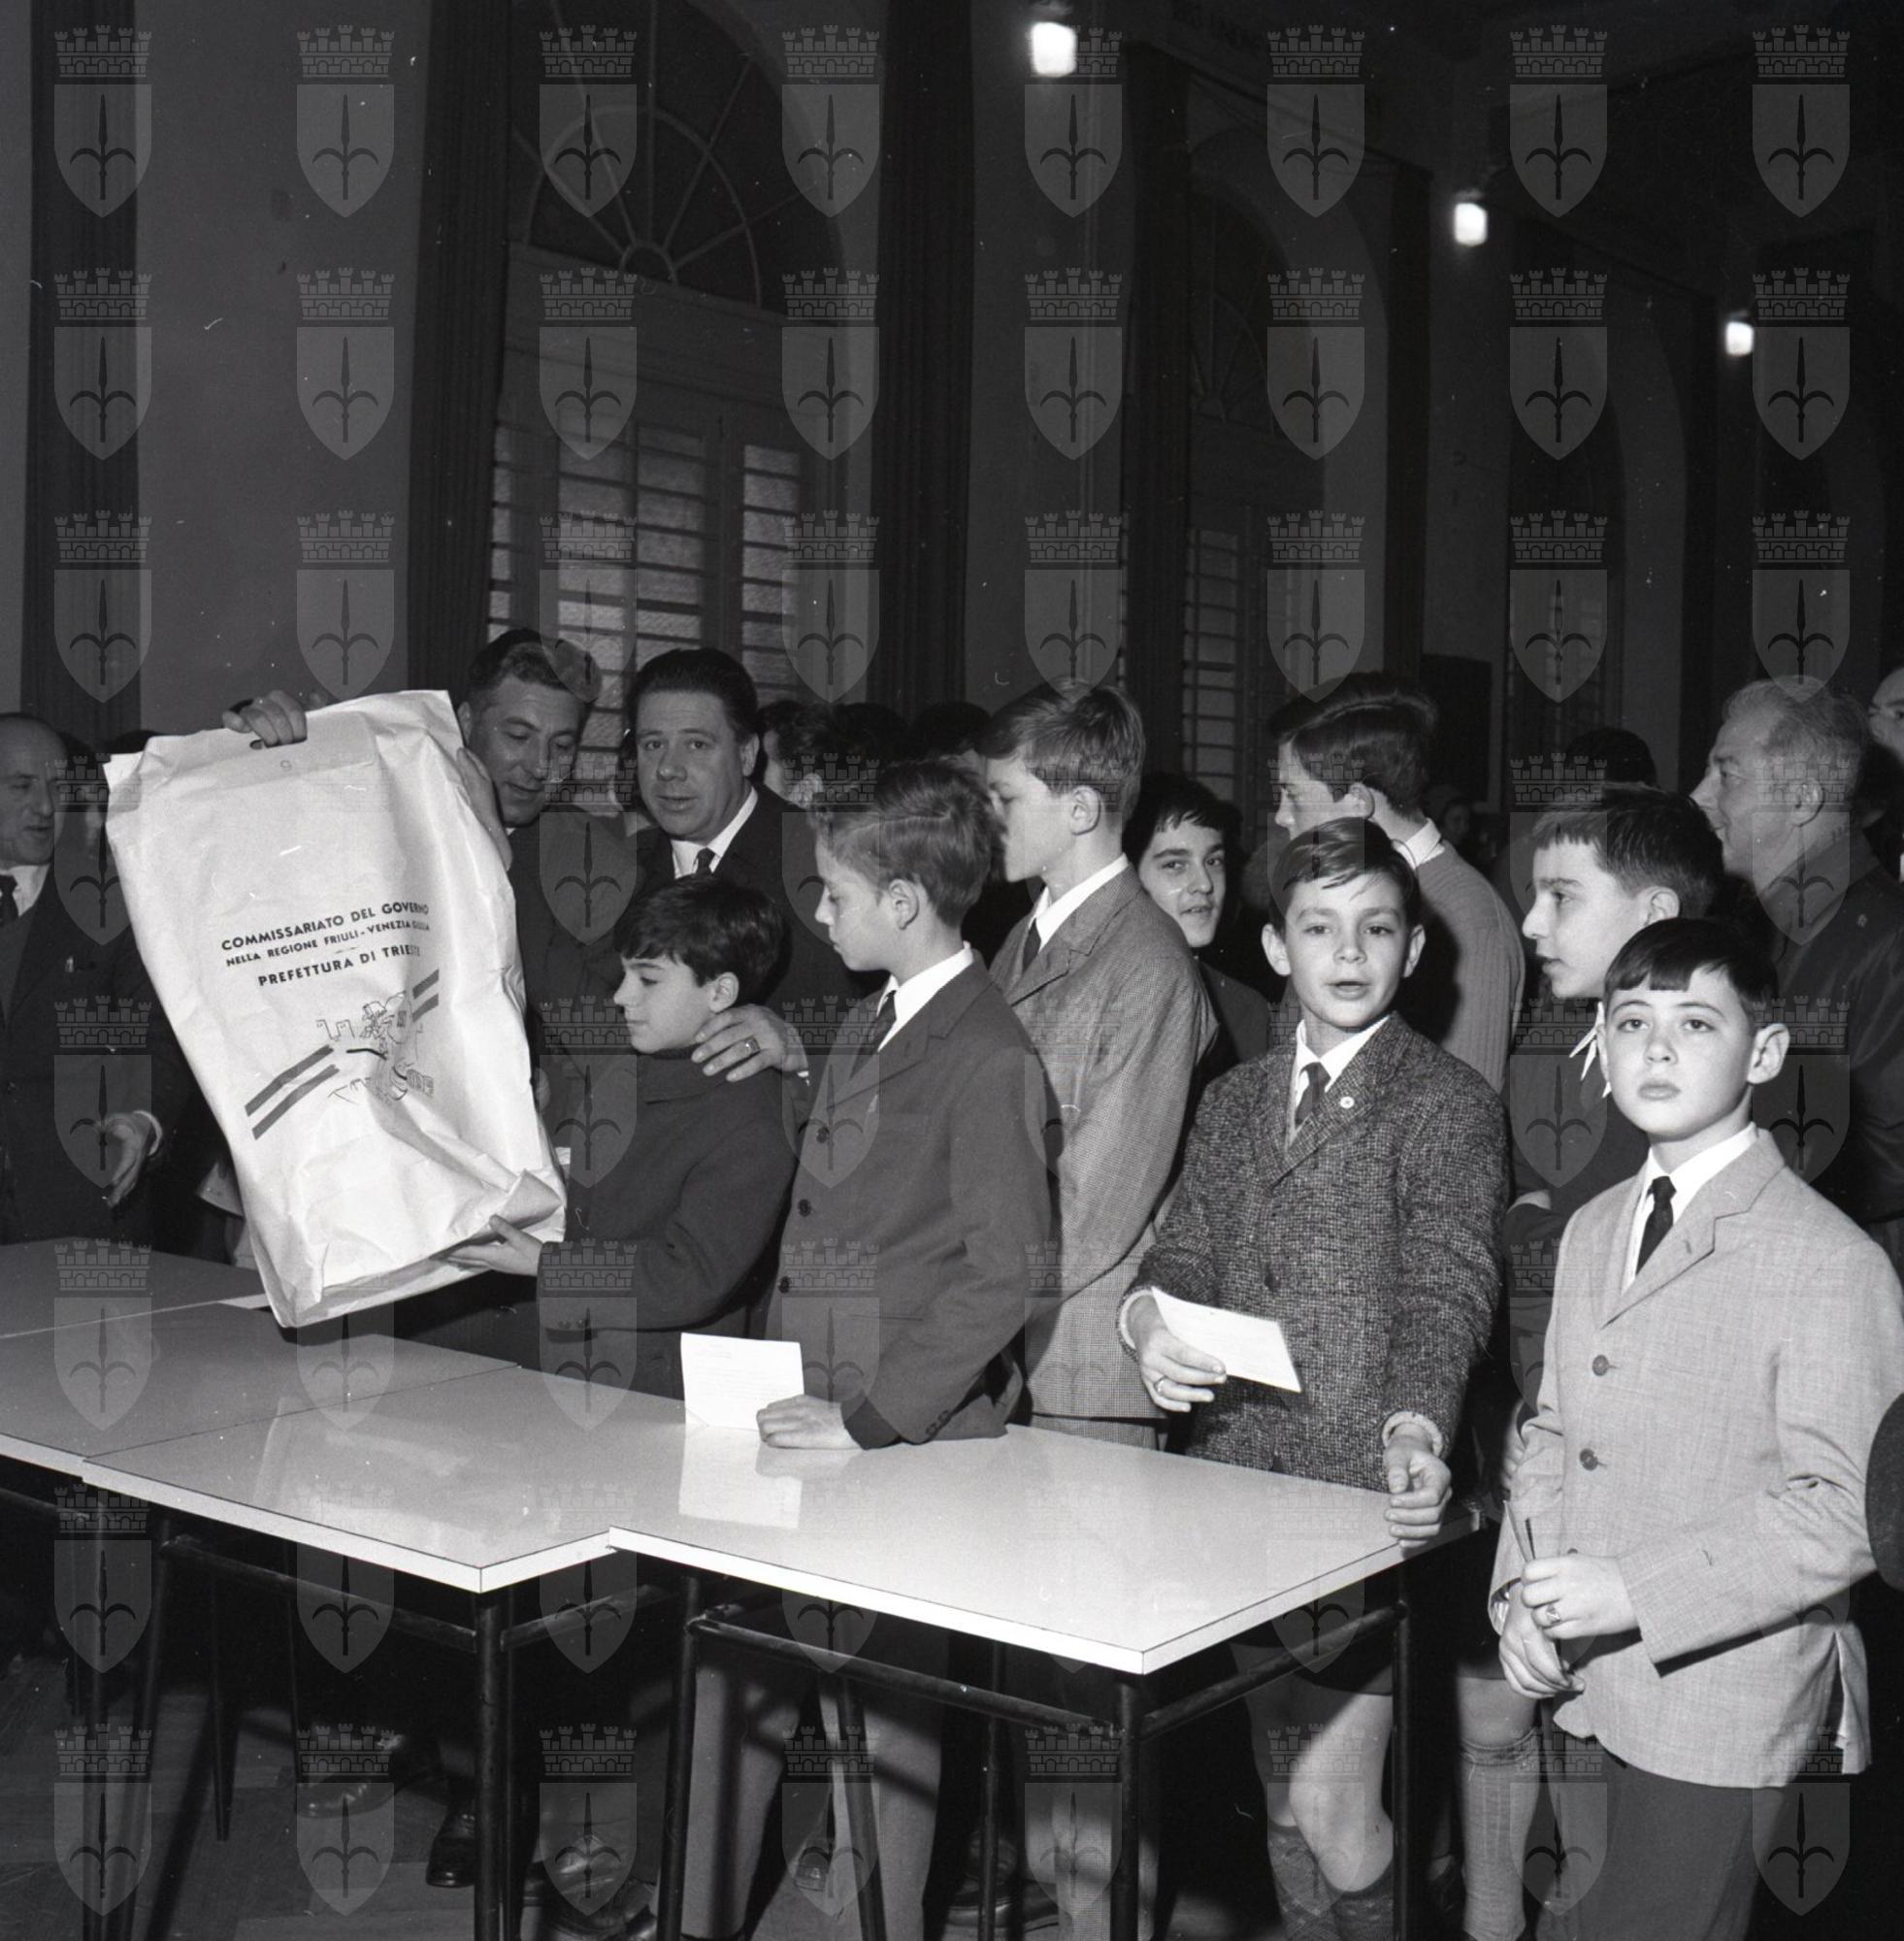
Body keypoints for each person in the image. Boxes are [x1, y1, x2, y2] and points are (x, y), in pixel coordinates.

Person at [677, 758, 1053, 1941]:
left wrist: (868, 1417)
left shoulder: (991, 1051)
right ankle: (700, 1915)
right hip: (805, 1409)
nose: (820, 912)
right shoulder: (868, 1016)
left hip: (896, 1434)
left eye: (835, 892)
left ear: (902, 900)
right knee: (731, 1676)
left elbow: (1008, 1269)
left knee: (886, 1730)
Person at [1127, 817, 1507, 1941]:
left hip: (1358, 1493)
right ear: (1275, 945)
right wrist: (1144, 1318)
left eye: (1376, 927)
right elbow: (1182, 1250)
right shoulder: (1236, 1098)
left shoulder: (1446, 1101)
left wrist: (1416, 1424)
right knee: (1280, 1787)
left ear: (1415, 948)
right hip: (1239, 1479)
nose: (1348, 951)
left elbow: (1448, 1278)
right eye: (1319, 926)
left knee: (1335, 1806)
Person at [1491, 918, 1904, 1941]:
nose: (1659, 1049)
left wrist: (1634, 1591)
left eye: (1697, 1022)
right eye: (1633, 1021)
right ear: (1600, 1043)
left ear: (1765, 1053)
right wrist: (1523, 1596)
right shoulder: (1593, 1228)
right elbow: (1553, 1432)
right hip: (1583, 1684)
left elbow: (1850, 1511)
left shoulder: (1829, 1260)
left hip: (1720, 1709)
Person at [444, 876, 797, 1400]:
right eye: (625, 973)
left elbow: (687, 1280)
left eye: (647, 979)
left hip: (651, 1384)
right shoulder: (636, 1061)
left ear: (720, 992)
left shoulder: (751, 1115)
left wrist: (546, 1265)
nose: (621, 996)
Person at [1691, 679, 1904, 1272]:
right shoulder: (1746, 922)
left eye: (1727, 774)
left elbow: (1889, 1160)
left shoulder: (1888, 939)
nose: (1700, 796)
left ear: (1804, 798)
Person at [622, 647, 870, 1088]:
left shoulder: (828, 857)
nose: (668, 769)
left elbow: (909, 1023)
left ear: (747, 754)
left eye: (697, 744)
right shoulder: (621, 870)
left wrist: (801, 1046)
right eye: (652, 745)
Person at [0, 712, 190, 1244]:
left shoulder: (115, 903)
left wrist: (143, 1119)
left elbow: (161, 1037)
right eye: (21, 786)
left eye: (58, 787)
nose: (46, 807)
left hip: (80, 1209)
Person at [1273, 687, 1525, 1091]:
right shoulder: (1326, 891)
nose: (1282, 816)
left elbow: (1462, 1110)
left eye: (1293, 795)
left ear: (1357, 803)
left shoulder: (1469, 920)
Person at [1125, 771, 1271, 1090]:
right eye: (1175, 865)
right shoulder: (1098, 996)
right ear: (1128, 877)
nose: (1204, 884)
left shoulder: (1246, 1010)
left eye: (1214, 861)